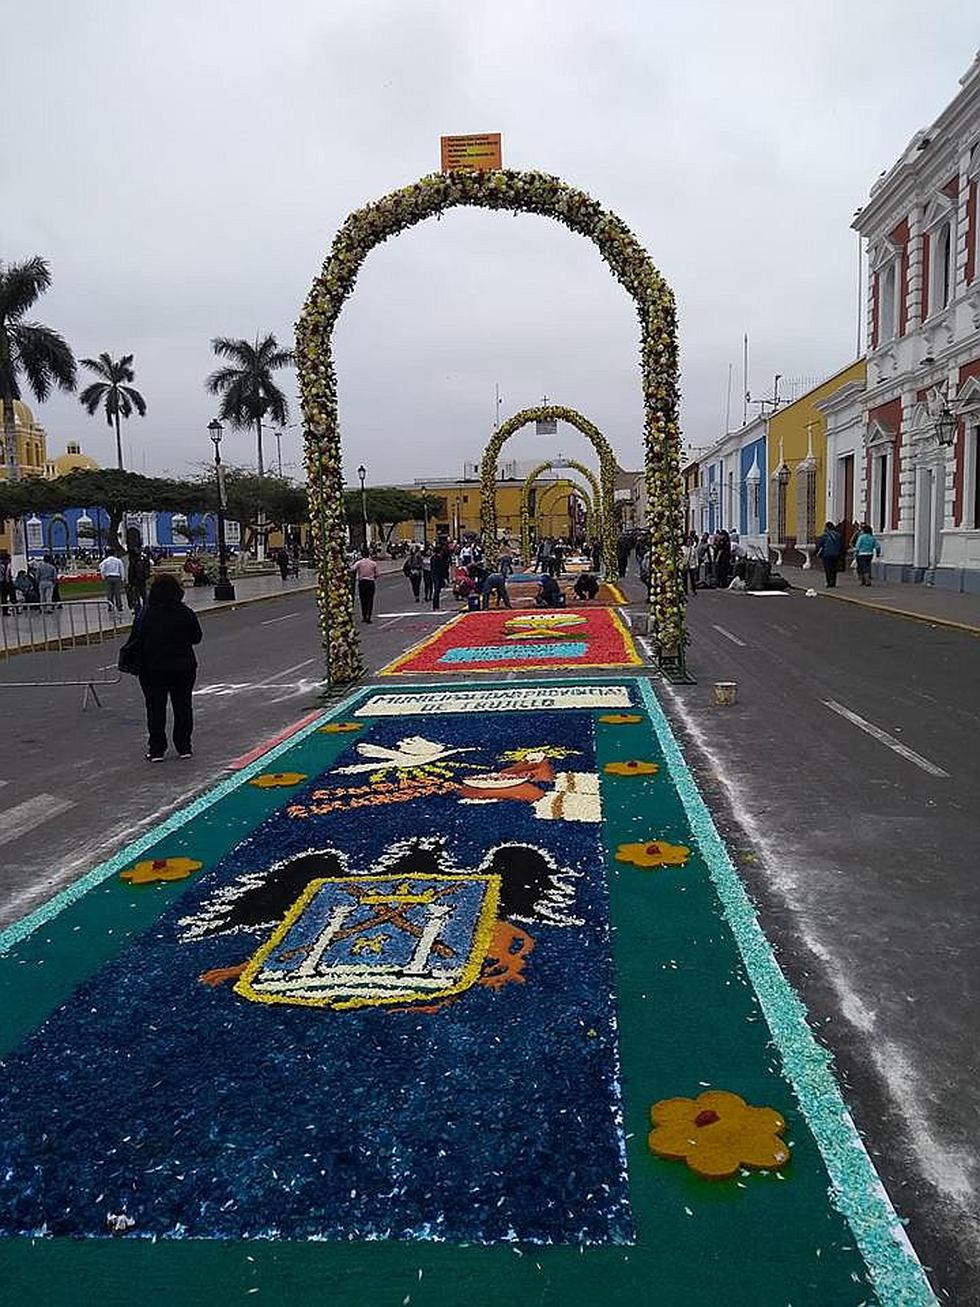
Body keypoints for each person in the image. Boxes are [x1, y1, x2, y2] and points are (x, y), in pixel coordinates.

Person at [132, 572, 203, 761]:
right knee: (183, 707)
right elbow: (197, 638)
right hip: (183, 666)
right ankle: (184, 746)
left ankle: (157, 749)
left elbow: (136, 638)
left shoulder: (145, 613)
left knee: (155, 708)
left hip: (152, 668)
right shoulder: (185, 612)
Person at [350, 545, 379, 623]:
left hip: (362, 582)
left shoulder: (359, 563)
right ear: (368, 554)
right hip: (370, 582)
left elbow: (352, 569)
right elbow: (376, 574)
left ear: (362, 555)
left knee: (363, 600)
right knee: (370, 600)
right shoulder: (373, 563)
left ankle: (364, 615)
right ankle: (368, 616)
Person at [815, 521, 843, 589]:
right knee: (834, 569)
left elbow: (820, 545)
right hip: (836, 554)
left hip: (827, 554)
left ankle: (829, 582)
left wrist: (817, 552)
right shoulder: (838, 535)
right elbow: (841, 544)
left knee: (828, 569)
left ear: (827, 527)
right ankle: (833, 582)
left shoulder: (825, 535)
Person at [431, 543, 451, 611]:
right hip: (437, 576)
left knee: (437, 591)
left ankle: (436, 606)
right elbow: (441, 568)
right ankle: (435, 606)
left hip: (436, 576)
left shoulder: (434, 558)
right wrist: (444, 577)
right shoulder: (437, 558)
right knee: (436, 591)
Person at [0, 550, 16, 614]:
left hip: (1, 583)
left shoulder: (1, 565)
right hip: (7, 583)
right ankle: (16, 608)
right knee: (12, 595)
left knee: (3, 597)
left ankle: (5, 611)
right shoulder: (7, 565)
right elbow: (7, 574)